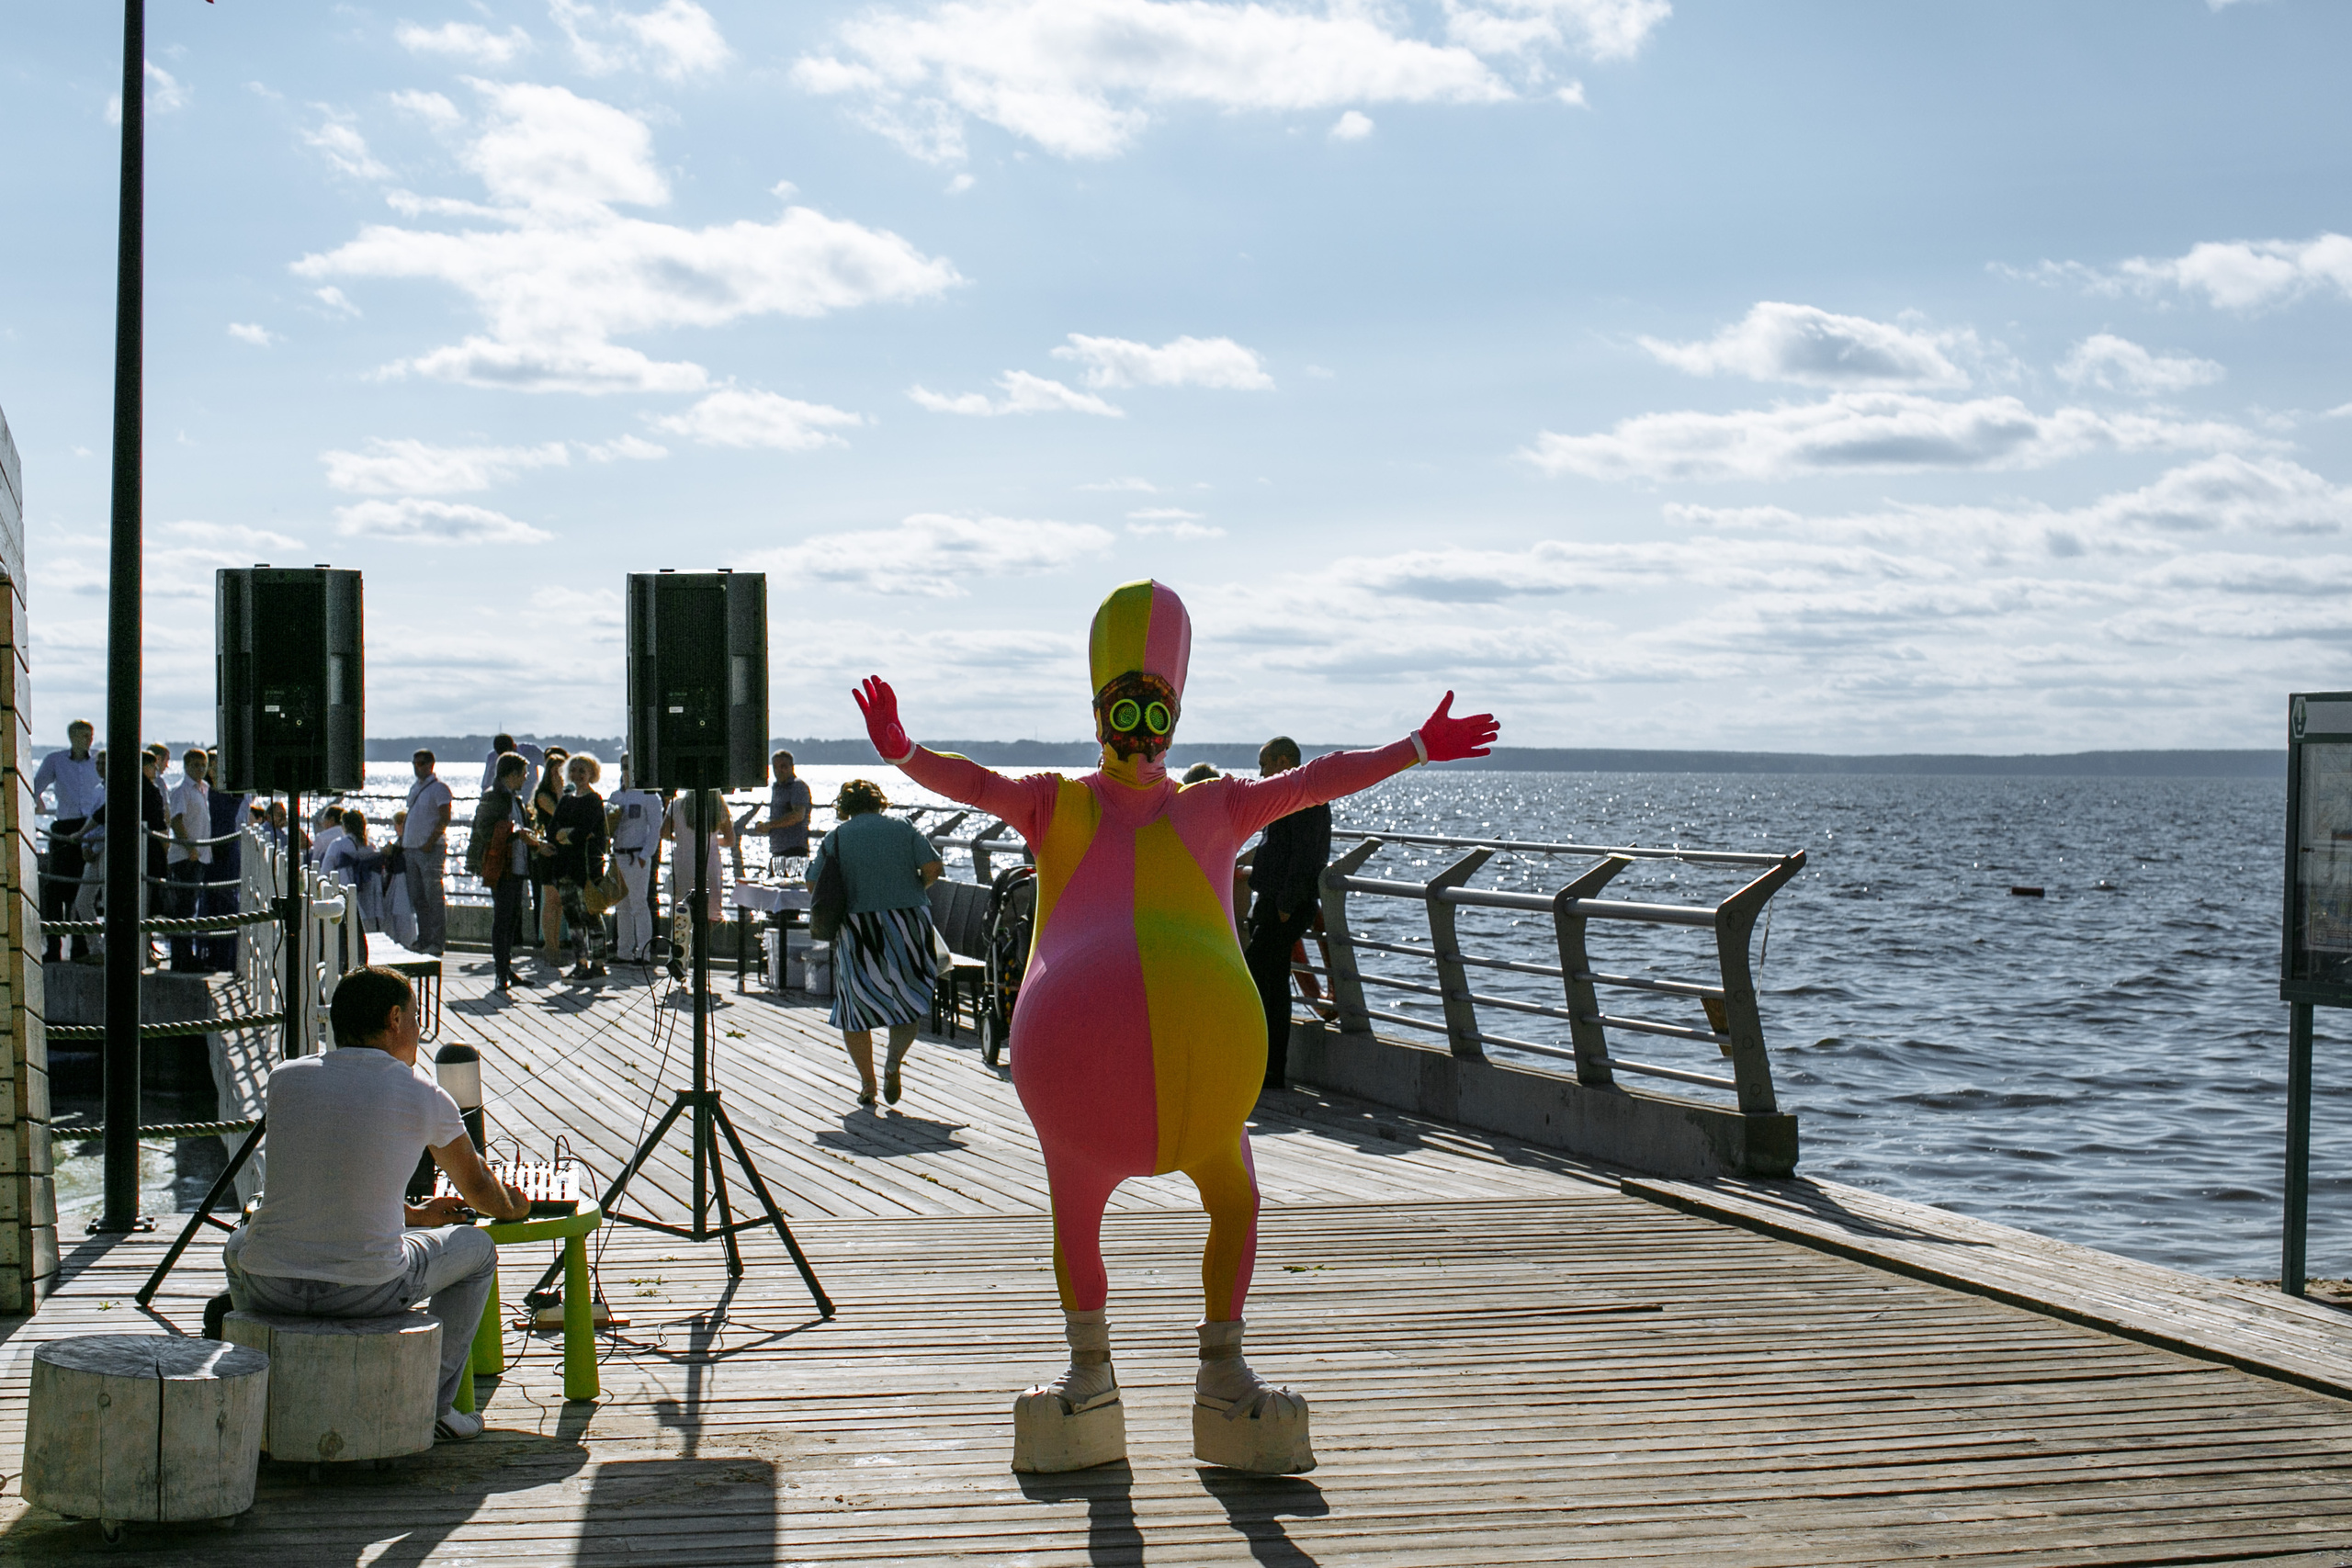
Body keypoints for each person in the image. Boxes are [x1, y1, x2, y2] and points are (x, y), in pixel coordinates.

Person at [852, 577, 1497, 1476]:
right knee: (1109, 1214)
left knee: (1228, 1201)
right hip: (1090, 1077)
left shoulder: (1212, 807)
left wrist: (1415, 748)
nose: (1142, 734)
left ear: (1175, 715)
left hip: (1198, 1082)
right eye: (1126, 709)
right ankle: (1095, 1378)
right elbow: (976, 783)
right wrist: (906, 752)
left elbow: (1313, 781)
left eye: (1156, 711)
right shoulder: (1059, 805)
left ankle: (1217, 1378)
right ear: (1097, 711)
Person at [221, 966, 531, 1441]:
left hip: (272, 1283)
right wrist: (515, 1207)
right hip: (363, 1290)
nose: (418, 1030)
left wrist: (413, 1216)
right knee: (478, 1251)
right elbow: (480, 1192)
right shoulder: (422, 1093)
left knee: (239, 1243)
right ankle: (432, 1405)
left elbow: (327, 1176)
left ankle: (266, 1375)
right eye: (413, 1016)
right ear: (393, 1018)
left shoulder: (284, 1079)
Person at [808, 779, 944, 1108]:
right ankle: (893, 1062)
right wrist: (911, 889)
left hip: (857, 926)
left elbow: (813, 882)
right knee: (908, 996)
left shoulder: (837, 837)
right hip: (907, 921)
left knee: (855, 1005)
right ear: (879, 801)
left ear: (844, 806)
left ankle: (867, 1083)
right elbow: (932, 867)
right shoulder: (902, 827)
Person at [1244, 738, 1331, 1095]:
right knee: (1266, 983)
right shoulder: (1288, 795)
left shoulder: (1305, 797)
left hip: (1284, 907)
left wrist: (1285, 905)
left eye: (1265, 765)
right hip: (1271, 902)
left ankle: (1270, 1071)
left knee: (1264, 984)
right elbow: (1276, 846)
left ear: (1282, 761)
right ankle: (1265, 1068)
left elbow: (1305, 857)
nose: (1261, 773)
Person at [467, 753, 544, 991]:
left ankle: (506, 968)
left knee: (511, 920)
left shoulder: (513, 799)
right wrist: (516, 834)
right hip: (502, 867)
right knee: (503, 920)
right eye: (523, 773)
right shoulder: (495, 798)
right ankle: (501, 972)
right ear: (511, 775)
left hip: (516, 866)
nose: (526, 778)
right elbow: (485, 831)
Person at [32, 719, 103, 962]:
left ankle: (81, 947)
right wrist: (40, 803)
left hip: (90, 827)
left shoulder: (99, 762)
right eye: (84, 735)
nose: (88, 740)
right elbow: (35, 786)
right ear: (72, 737)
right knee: (56, 889)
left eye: (90, 735)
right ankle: (53, 946)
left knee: (83, 891)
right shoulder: (56, 760)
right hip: (65, 827)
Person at [660, 785, 740, 984]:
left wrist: (681, 837)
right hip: (709, 862)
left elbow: (663, 833)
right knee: (708, 915)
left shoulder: (677, 805)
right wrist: (712, 841)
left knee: (681, 913)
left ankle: (679, 962)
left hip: (683, 862)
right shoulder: (717, 808)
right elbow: (730, 840)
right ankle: (701, 965)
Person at [550, 753, 609, 980]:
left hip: (585, 868)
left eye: (582, 771)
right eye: (573, 770)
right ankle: (580, 961)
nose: (577, 775)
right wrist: (565, 834)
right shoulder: (566, 799)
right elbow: (553, 829)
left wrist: (569, 834)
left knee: (591, 914)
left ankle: (598, 961)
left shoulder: (594, 800)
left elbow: (586, 830)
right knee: (573, 917)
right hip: (565, 866)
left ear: (591, 774)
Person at [605, 760, 662, 969]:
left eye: (630, 767)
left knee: (639, 904)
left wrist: (645, 855)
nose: (627, 772)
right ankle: (624, 951)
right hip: (619, 854)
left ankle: (643, 953)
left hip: (636, 855)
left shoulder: (649, 796)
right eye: (624, 768)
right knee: (622, 906)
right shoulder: (616, 796)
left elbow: (656, 828)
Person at [165, 747, 216, 972]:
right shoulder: (181, 790)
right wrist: (190, 847)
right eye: (196, 765)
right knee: (183, 909)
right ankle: (181, 958)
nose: (200, 770)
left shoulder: (203, 789)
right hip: (185, 857)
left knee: (190, 908)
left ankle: (187, 956)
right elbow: (176, 821)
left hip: (200, 856)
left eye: (203, 766)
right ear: (186, 766)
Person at [402, 749, 454, 957]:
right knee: (418, 897)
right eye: (415, 763)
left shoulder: (439, 788)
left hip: (429, 849)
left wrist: (430, 841)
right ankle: (424, 939)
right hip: (411, 848)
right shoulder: (415, 788)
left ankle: (437, 941)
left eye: (421, 763)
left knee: (433, 896)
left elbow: (445, 817)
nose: (418, 767)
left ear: (431, 765)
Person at [744, 750, 814, 881]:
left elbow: (798, 815)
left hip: (794, 849)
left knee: (792, 894)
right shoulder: (777, 787)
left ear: (791, 767)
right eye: (775, 767)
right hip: (777, 850)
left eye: (783, 766)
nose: (779, 771)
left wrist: (770, 825)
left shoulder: (797, 786)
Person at [480, 731, 545, 794]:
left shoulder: (531, 751)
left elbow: (550, 765)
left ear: (514, 746)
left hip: (531, 800)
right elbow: (486, 785)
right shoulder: (492, 757)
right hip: (506, 801)